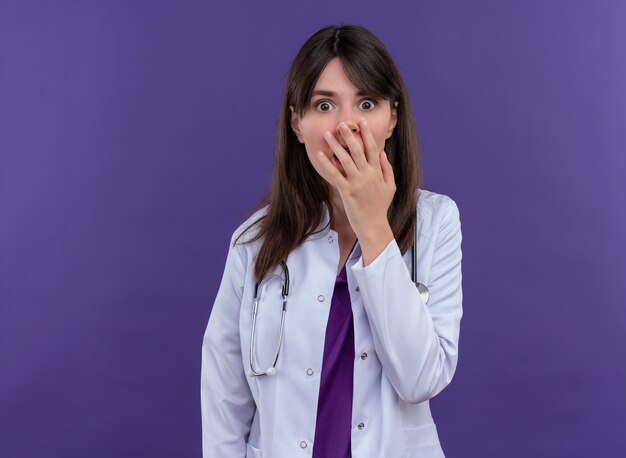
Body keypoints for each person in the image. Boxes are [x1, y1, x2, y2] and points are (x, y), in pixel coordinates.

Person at [201, 24, 463, 458]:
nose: (347, 126)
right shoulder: (254, 241)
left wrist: (373, 225)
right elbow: (224, 398)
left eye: (366, 103)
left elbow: (420, 380)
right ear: (297, 123)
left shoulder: (436, 221)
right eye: (324, 105)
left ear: (392, 118)